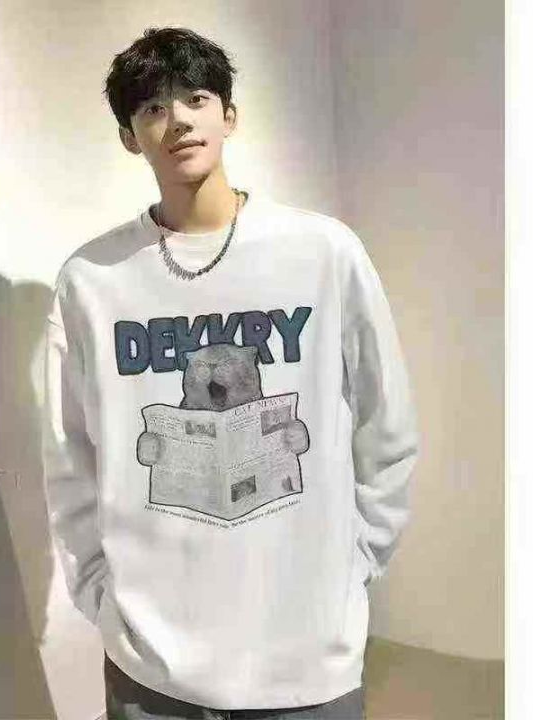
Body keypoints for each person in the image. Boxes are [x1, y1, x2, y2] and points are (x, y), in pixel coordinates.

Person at [42, 26, 420, 720]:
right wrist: (100, 596)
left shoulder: (321, 252)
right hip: (149, 661)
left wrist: (356, 566)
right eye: (153, 108)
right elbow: (69, 456)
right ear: (129, 136)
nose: (178, 120)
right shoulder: (92, 279)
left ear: (229, 115)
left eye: (196, 98)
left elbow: (385, 421)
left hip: (304, 657)